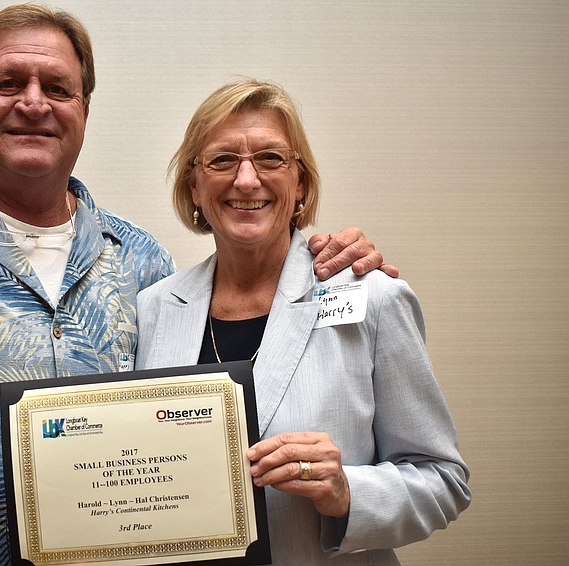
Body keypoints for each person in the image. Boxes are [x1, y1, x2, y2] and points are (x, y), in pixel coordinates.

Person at [0, 6, 392, 565]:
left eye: (57, 88)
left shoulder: (140, 263)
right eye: (8, 83)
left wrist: (325, 257)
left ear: (83, 110)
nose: (33, 102)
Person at [135, 79, 471, 564]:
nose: (246, 180)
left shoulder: (373, 298)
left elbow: (444, 481)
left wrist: (347, 490)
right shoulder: (155, 308)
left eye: (270, 159)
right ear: (194, 186)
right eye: (222, 160)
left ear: (301, 185)